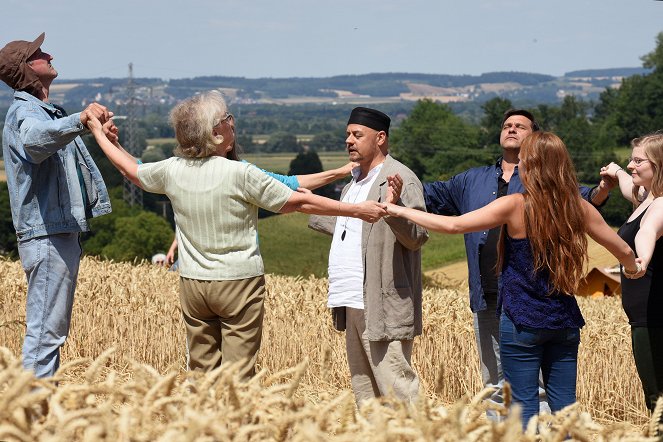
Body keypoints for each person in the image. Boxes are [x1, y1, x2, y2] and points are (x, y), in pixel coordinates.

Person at [84, 90, 386, 381]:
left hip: (193, 284)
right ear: (215, 134)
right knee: (238, 376)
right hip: (238, 283)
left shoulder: (172, 170)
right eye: (226, 118)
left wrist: (101, 136)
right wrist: (357, 210)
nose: (232, 122)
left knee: (202, 373)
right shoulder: (240, 174)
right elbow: (300, 201)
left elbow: (132, 170)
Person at [383, 131, 643, 426]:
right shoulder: (577, 207)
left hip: (521, 321)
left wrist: (396, 208)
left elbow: (454, 225)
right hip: (564, 321)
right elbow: (623, 250)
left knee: (523, 407)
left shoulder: (516, 205)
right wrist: (635, 270)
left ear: (531, 165)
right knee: (566, 410)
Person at [423, 109, 613, 417]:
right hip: (486, 294)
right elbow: (431, 195)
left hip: (532, 299)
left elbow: (584, 201)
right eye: (507, 125)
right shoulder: (472, 179)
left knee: (532, 389)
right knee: (495, 384)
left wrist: (603, 189)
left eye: (520, 126)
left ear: (534, 138)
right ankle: (502, 434)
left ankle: (533, 434)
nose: (512, 129)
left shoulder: (545, 184)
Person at [0, 33, 112, 378]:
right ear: (27, 69)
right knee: (45, 334)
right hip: (47, 235)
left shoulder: (47, 112)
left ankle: (36, 407)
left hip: (56, 232)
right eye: (39, 54)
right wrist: (79, 120)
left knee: (50, 331)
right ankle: (30, 413)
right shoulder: (25, 112)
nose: (49, 54)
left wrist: (100, 134)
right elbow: (35, 142)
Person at [309, 107, 428, 405]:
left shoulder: (400, 179)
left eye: (357, 135)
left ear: (380, 138)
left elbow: (417, 236)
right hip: (352, 300)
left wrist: (393, 210)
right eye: (348, 134)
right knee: (366, 396)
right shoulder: (351, 185)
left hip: (383, 302)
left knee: (397, 392)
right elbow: (353, 229)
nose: (349, 140)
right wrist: (307, 207)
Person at [601, 133, 663, 425]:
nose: (631, 166)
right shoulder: (644, 196)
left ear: (659, 164)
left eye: (638, 160)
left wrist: (641, 260)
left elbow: (647, 231)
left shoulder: (661, 204)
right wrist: (614, 170)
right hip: (646, 320)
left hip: (657, 322)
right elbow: (628, 186)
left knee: (659, 402)